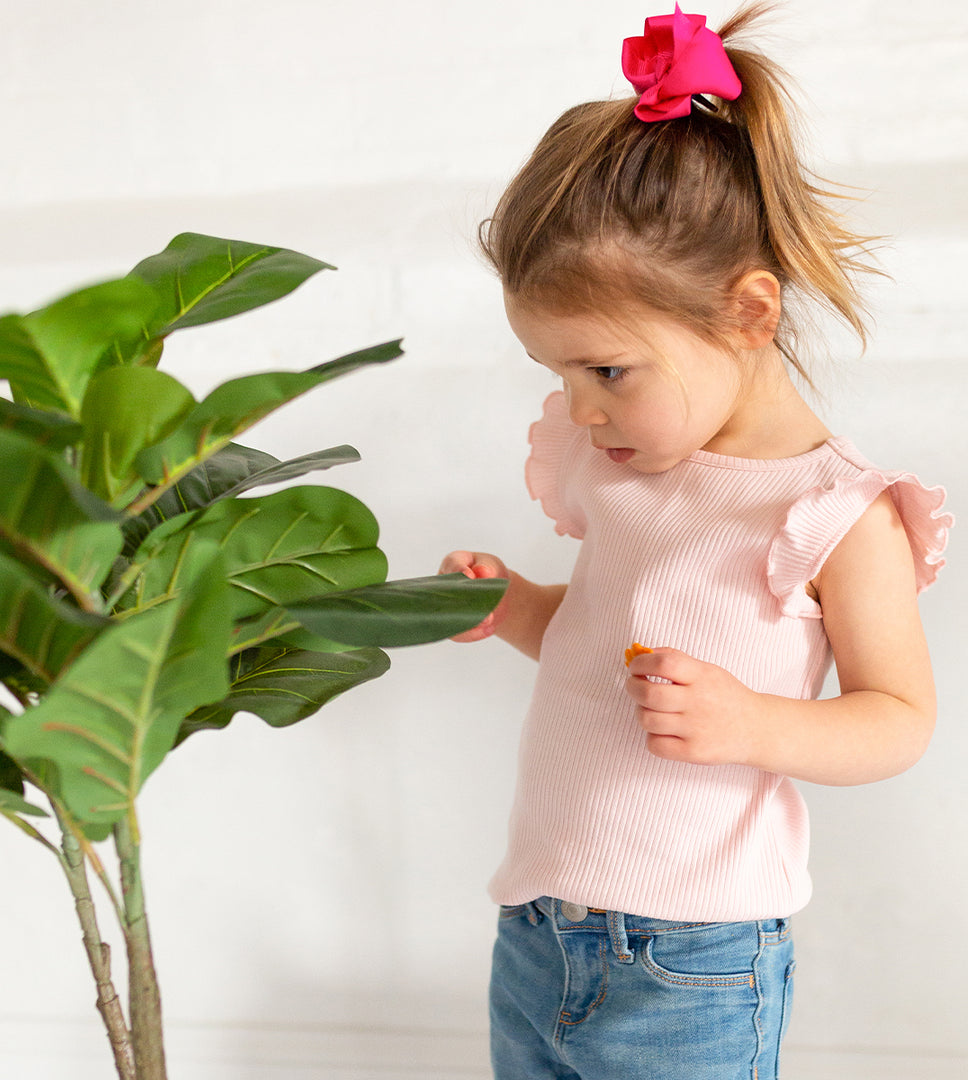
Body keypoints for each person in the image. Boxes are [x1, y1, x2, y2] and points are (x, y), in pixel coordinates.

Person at [438, 5, 953, 1078]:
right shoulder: (624, 472)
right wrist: (517, 606)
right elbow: (601, 642)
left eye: (606, 371)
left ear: (750, 314)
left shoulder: (834, 512)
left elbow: (898, 720)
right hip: (537, 934)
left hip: (695, 968)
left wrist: (751, 722)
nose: (580, 409)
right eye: (559, 375)